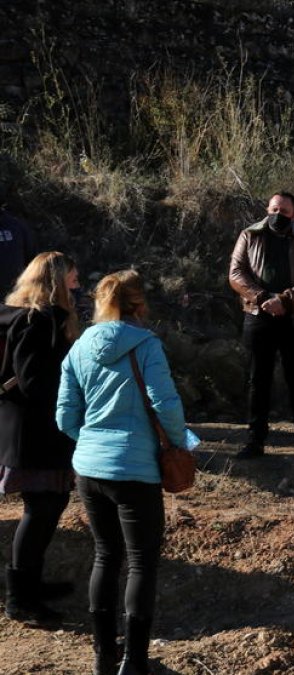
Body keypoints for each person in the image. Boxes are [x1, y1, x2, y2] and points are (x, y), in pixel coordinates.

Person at [57, 270, 187, 675]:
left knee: (106, 555)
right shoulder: (147, 345)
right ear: (139, 304)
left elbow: (64, 415)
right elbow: (165, 403)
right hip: (135, 469)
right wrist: (179, 443)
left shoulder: (78, 347)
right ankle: (134, 661)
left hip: (89, 469)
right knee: (141, 562)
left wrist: (93, 442)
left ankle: (102, 656)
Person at [0, 252, 80, 627]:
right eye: (73, 276)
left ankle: (30, 585)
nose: (78, 282)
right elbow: (33, 382)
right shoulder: (37, 321)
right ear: (57, 279)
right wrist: (73, 394)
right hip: (35, 433)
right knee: (40, 509)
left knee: (50, 504)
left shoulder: (26, 315)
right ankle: (19, 599)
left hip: (34, 429)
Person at [228, 192, 294, 462]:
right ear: (267, 209)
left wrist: (285, 300)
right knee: (258, 380)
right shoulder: (249, 235)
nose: (278, 214)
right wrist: (261, 298)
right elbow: (236, 273)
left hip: (293, 318)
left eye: (284, 210)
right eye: (274, 209)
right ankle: (255, 441)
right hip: (258, 316)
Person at [0, 185, 37, 296]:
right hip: (15, 298)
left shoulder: (17, 226)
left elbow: (32, 262)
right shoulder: (18, 226)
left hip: (14, 298)